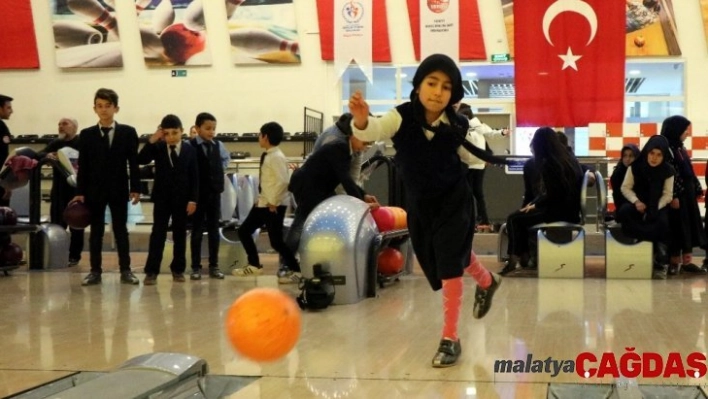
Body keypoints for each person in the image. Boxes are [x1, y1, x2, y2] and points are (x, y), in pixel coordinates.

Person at [349, 53, 503, 368]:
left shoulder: (457, 123)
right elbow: (371, 131)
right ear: (418, 85)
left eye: (446, 87)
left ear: (453, 93)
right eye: (431, 83)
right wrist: (362, 119)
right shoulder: (400, 117)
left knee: (449, 262)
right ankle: (487, 281)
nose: (437, 91)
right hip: (421, 205)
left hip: (454, 201)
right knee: (442, 255)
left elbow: (470, 158)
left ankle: (450, 338)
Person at [285, 118, 380, 284]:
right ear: (354, 135)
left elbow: (347, 179)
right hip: (308, 186)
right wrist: (361, 203)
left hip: (320, 187)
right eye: (365, 143)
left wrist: (363, 195)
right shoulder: (339, 147)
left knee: (304, 223)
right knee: (300, 224)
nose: (365, 148)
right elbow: (345, 179)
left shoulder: (347, 150)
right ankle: (285, 268)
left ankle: (296, 265)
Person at [71, 88, 141, 286]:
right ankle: (95, 271)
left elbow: (133, 163)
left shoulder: (128, 132)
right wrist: (80, 192)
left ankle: (126, 270)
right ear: (94, 109)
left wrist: (135, 187)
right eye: (99, 106)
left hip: (119, 189)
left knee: (121, 231)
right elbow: (83, 166)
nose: (103, 110)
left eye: (108, 106)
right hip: (94, 191)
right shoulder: (86, 135)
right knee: (96, 233)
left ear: (116, 108)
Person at [502, 128, 584, 275]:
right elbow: (556, 192)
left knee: (514, 219)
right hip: (569, 210)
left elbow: (553, 194)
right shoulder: (568, 159)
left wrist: (535, 205)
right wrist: (535, 204)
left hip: (558, 212)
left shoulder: (551, 164)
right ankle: (523, 256)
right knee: (521, 216)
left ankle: (514, 259)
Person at [232, 122, 299, 278]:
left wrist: (273, 202)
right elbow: (268, 182)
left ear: (266, 136)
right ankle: (254, 264)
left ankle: (296, 269)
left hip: (272, 206)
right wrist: (260, 199)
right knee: (244, 231)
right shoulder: (270, 155)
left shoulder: (276, 157)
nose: (258, 137)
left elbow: (282, 182)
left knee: (275, 241)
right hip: (264, 203)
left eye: (260, 134)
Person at [137, 114, 199, 285]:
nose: (171, 137)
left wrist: (193, 200)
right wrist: (153, 139)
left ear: (182, 131)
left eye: (174, 133)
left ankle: (178, 270)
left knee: (180, 234)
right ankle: (151, 271)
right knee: (158, 233)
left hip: (183, 199)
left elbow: (194, 176)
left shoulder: (190, 150)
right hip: (162, 198)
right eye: (167, 133)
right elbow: (141, 159)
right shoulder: (157, 147)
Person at [617, 135, 674, 273]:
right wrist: (636, 202)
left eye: (659, 155)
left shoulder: (668, 170)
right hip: (638, 203)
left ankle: (657, 254)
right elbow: (625, 187)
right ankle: (647, 243)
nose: (654, 158)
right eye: (652, 153)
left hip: (657, 205)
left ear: (664, 156)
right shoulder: (635, 167)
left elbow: (668, 195)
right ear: (647, 152)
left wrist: (655, 207)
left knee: (662, 221)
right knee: (624, 212)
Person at [660, 115, 707, 275]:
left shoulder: (680, 148)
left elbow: (688, 170)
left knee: (688, 226)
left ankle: (687, 262)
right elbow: (668, 174)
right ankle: (674, 262)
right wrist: (673, 195)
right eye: (685, 130)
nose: (687, 133)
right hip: (677, 195)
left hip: (687, 194)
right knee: (677, 227)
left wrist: (696, 187)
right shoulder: (667, 150)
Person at [36, 118, 84, 266]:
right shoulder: (56, 143)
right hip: (58, 191)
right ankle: (58, 255)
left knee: (77, 224)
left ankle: (74, 256)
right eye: (59, 124)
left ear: (75, 127)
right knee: (57, 224)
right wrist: (46, 156)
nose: (61, 127)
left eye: (65, 124)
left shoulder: (82, 142)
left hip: (77, 190)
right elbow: (38, 154)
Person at [188, 112, 227, 280]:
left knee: (213, 231)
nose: (211, 132)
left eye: (214, 129)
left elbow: (225, 160)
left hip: (214, 194)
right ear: (197, 129)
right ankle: (195, 267)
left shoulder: (218, 145)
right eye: (208, 128)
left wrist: (217, 174)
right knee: (196, 231)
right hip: (197, 196)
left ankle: (214, 266)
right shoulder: (190, 146)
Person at [457, 105, 507, 230]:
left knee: (468, 193)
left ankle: (471, 219)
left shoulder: (462, 125)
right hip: (478, 165)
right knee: (477, 193)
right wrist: (502, 132)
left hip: (467, 164)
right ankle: (483, 218)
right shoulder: (479, 125)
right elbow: (491, 133)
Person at [610, 144, 640, 213]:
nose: (627, 159)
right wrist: (635, 202)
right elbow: (618, 199)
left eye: (631, 156)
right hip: (624, 208)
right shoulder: (617, 174)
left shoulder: (641, 171)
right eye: (625, 156)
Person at [0, 94, 14, 206]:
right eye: (8, 108)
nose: (11, 111)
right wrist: (5, 184)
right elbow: (2, 158)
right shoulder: (1, 127)